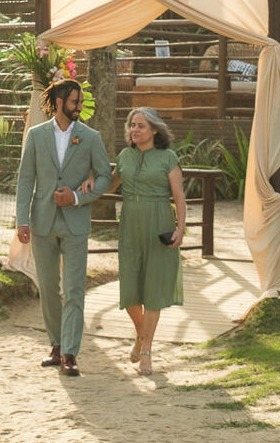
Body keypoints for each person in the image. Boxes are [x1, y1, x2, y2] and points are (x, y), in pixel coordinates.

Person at [14, 78, 112, 376]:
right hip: (42, 222)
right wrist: (22, 220)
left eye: (80, 102)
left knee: (74, 289)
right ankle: (56, 346)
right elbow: (25, 179)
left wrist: (78, 196)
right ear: (59, 103)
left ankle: (71, 352)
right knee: (47, 288)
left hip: (75, 223)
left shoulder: (91, 137)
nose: (79, 107)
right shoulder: (35, 135)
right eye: (75, 102)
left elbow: (106, 177)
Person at [105, 107, 185, 376]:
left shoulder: (168, 158)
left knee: (152, 289)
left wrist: (180, 229)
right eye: (132, 125)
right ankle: (141, 334)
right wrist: (86, 184)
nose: (134, 130)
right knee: (129, 286)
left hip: (158, 222)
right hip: (129, 224)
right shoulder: (125, 156)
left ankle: (147, 350)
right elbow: (110, 185)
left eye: (140, 125)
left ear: (154, 130)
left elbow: (179, 198)